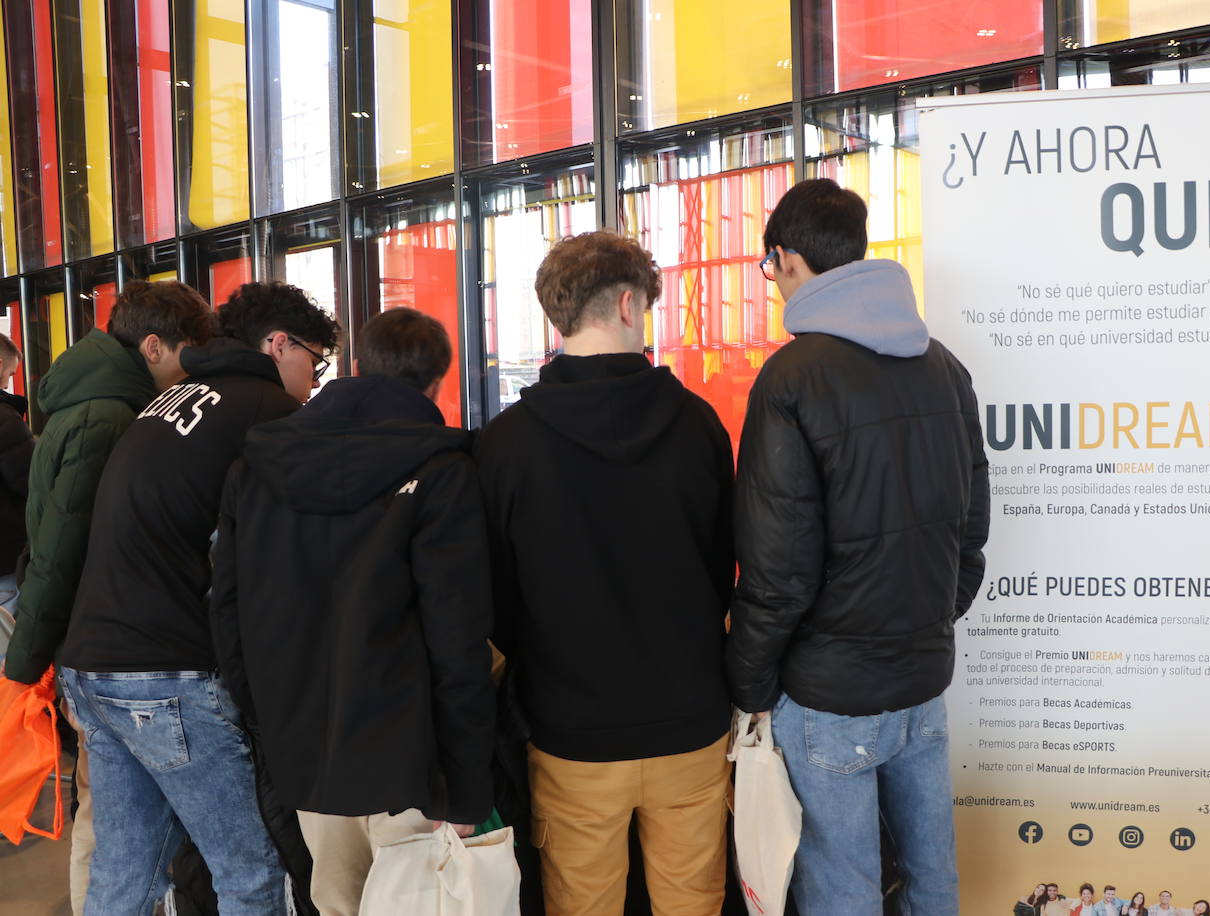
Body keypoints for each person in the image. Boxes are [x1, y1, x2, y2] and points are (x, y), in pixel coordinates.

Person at [724, 177, 989, 915]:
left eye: (768, 267)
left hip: (829, 691)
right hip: (922, 679)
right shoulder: (944, 366)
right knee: (934, 879)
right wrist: (929, 619)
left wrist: (747, 684)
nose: (772, 283)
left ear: (787, 259)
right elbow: (972, 534)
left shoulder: (791, 379)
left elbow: (777, 570)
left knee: (843, 890)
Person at [475, 230, 735, 915]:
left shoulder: (503, 447)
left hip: (570, 735)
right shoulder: (698, 424)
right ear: (627, 303)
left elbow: (496, 599)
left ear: (558, 317)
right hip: (692, 724)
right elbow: (724, 567)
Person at [57, 281, 337, 915]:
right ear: (277, 344)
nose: (316, 381)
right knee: (250, 874)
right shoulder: (266, 408)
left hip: (92, 666)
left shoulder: (178, 398)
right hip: (162, 672)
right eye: (315, 361)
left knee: (125, 874)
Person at [210, 308, 496, 916]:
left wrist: (268, 725)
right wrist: (469, 787)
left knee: (335, 903)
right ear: (438, 383)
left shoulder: (254, 470)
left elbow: (228, 613)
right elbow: (457, 641)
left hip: (304, 751)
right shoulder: (442, 471)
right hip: (411, 765)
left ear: (360, 368)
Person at [1, 279, 215, 914]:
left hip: (87, 644)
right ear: (152, 346)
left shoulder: (85, 399)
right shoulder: (112, 416)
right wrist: (30, 663)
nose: (194, 370)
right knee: (119, 826)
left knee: (111, 821)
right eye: (189, 352)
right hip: (104, 646)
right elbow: (69, 544)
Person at [0, 332, 33, 630]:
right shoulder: (5, 420)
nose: (10, 383)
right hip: (4, 563)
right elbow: (32, 483)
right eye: (10, 373)